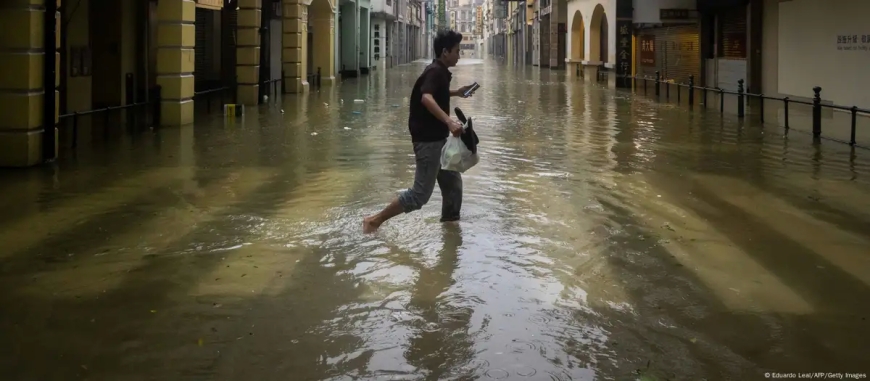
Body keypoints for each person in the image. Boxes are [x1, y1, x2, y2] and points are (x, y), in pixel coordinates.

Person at [363, 29, 476, 234]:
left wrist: (456, 92)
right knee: (420, 195)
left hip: (439, 139)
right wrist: (450, 122)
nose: (459, 55)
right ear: (445, 52)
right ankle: (373, 221)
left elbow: (433, 92)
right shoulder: (435, 71)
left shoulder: (439, 71)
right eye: (457, 51)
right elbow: (426, 97)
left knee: (453, 183)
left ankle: (450, 230)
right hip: (428, 141)